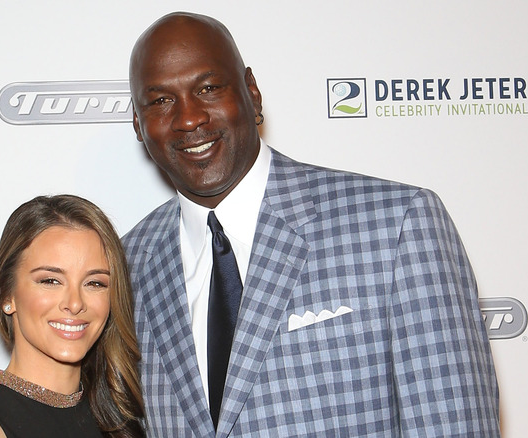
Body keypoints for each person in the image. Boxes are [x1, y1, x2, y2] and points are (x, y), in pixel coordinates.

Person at [122, 12, 500, 437]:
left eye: (208, 88)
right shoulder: (124, 265)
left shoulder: (396, 225)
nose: (189, 118)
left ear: (252, 92)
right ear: (138, 124)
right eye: (159, 101)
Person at [0, 195, 144, 438]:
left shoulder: (119, 419)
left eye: (95, 283)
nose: (75, 303)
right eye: (51, 281)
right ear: (6, 295)